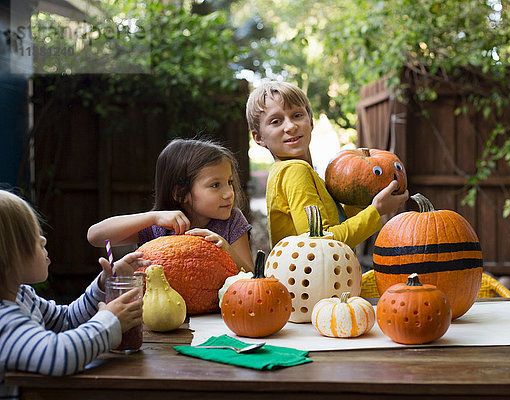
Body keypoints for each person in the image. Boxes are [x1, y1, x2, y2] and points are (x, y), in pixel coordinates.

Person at [0, 190, 150, 400]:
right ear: (6, 258)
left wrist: (102, 284)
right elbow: (56, 355)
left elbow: (66, 320)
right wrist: (110, 321)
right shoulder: (4, 322)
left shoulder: (22, 295)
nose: (43, 240)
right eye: (33, 237)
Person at [246, 81, 409, 249]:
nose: (290, 126)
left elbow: (339, 224)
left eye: (297, 115)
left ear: (310, 122)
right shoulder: (294, 170)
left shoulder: (301, 173)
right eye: (276, 121)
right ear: (258, 138)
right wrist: (376, 211)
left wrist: (364, 202)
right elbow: (320, 244)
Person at [87, 138, 253, 272]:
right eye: (215, 185)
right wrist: (154, 217)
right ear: (180, 193)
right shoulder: (159, 227)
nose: (229, 193)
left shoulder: (232, 221)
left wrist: (226, 248)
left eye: (229, 182)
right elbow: (95, 236)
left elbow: (251, 276)